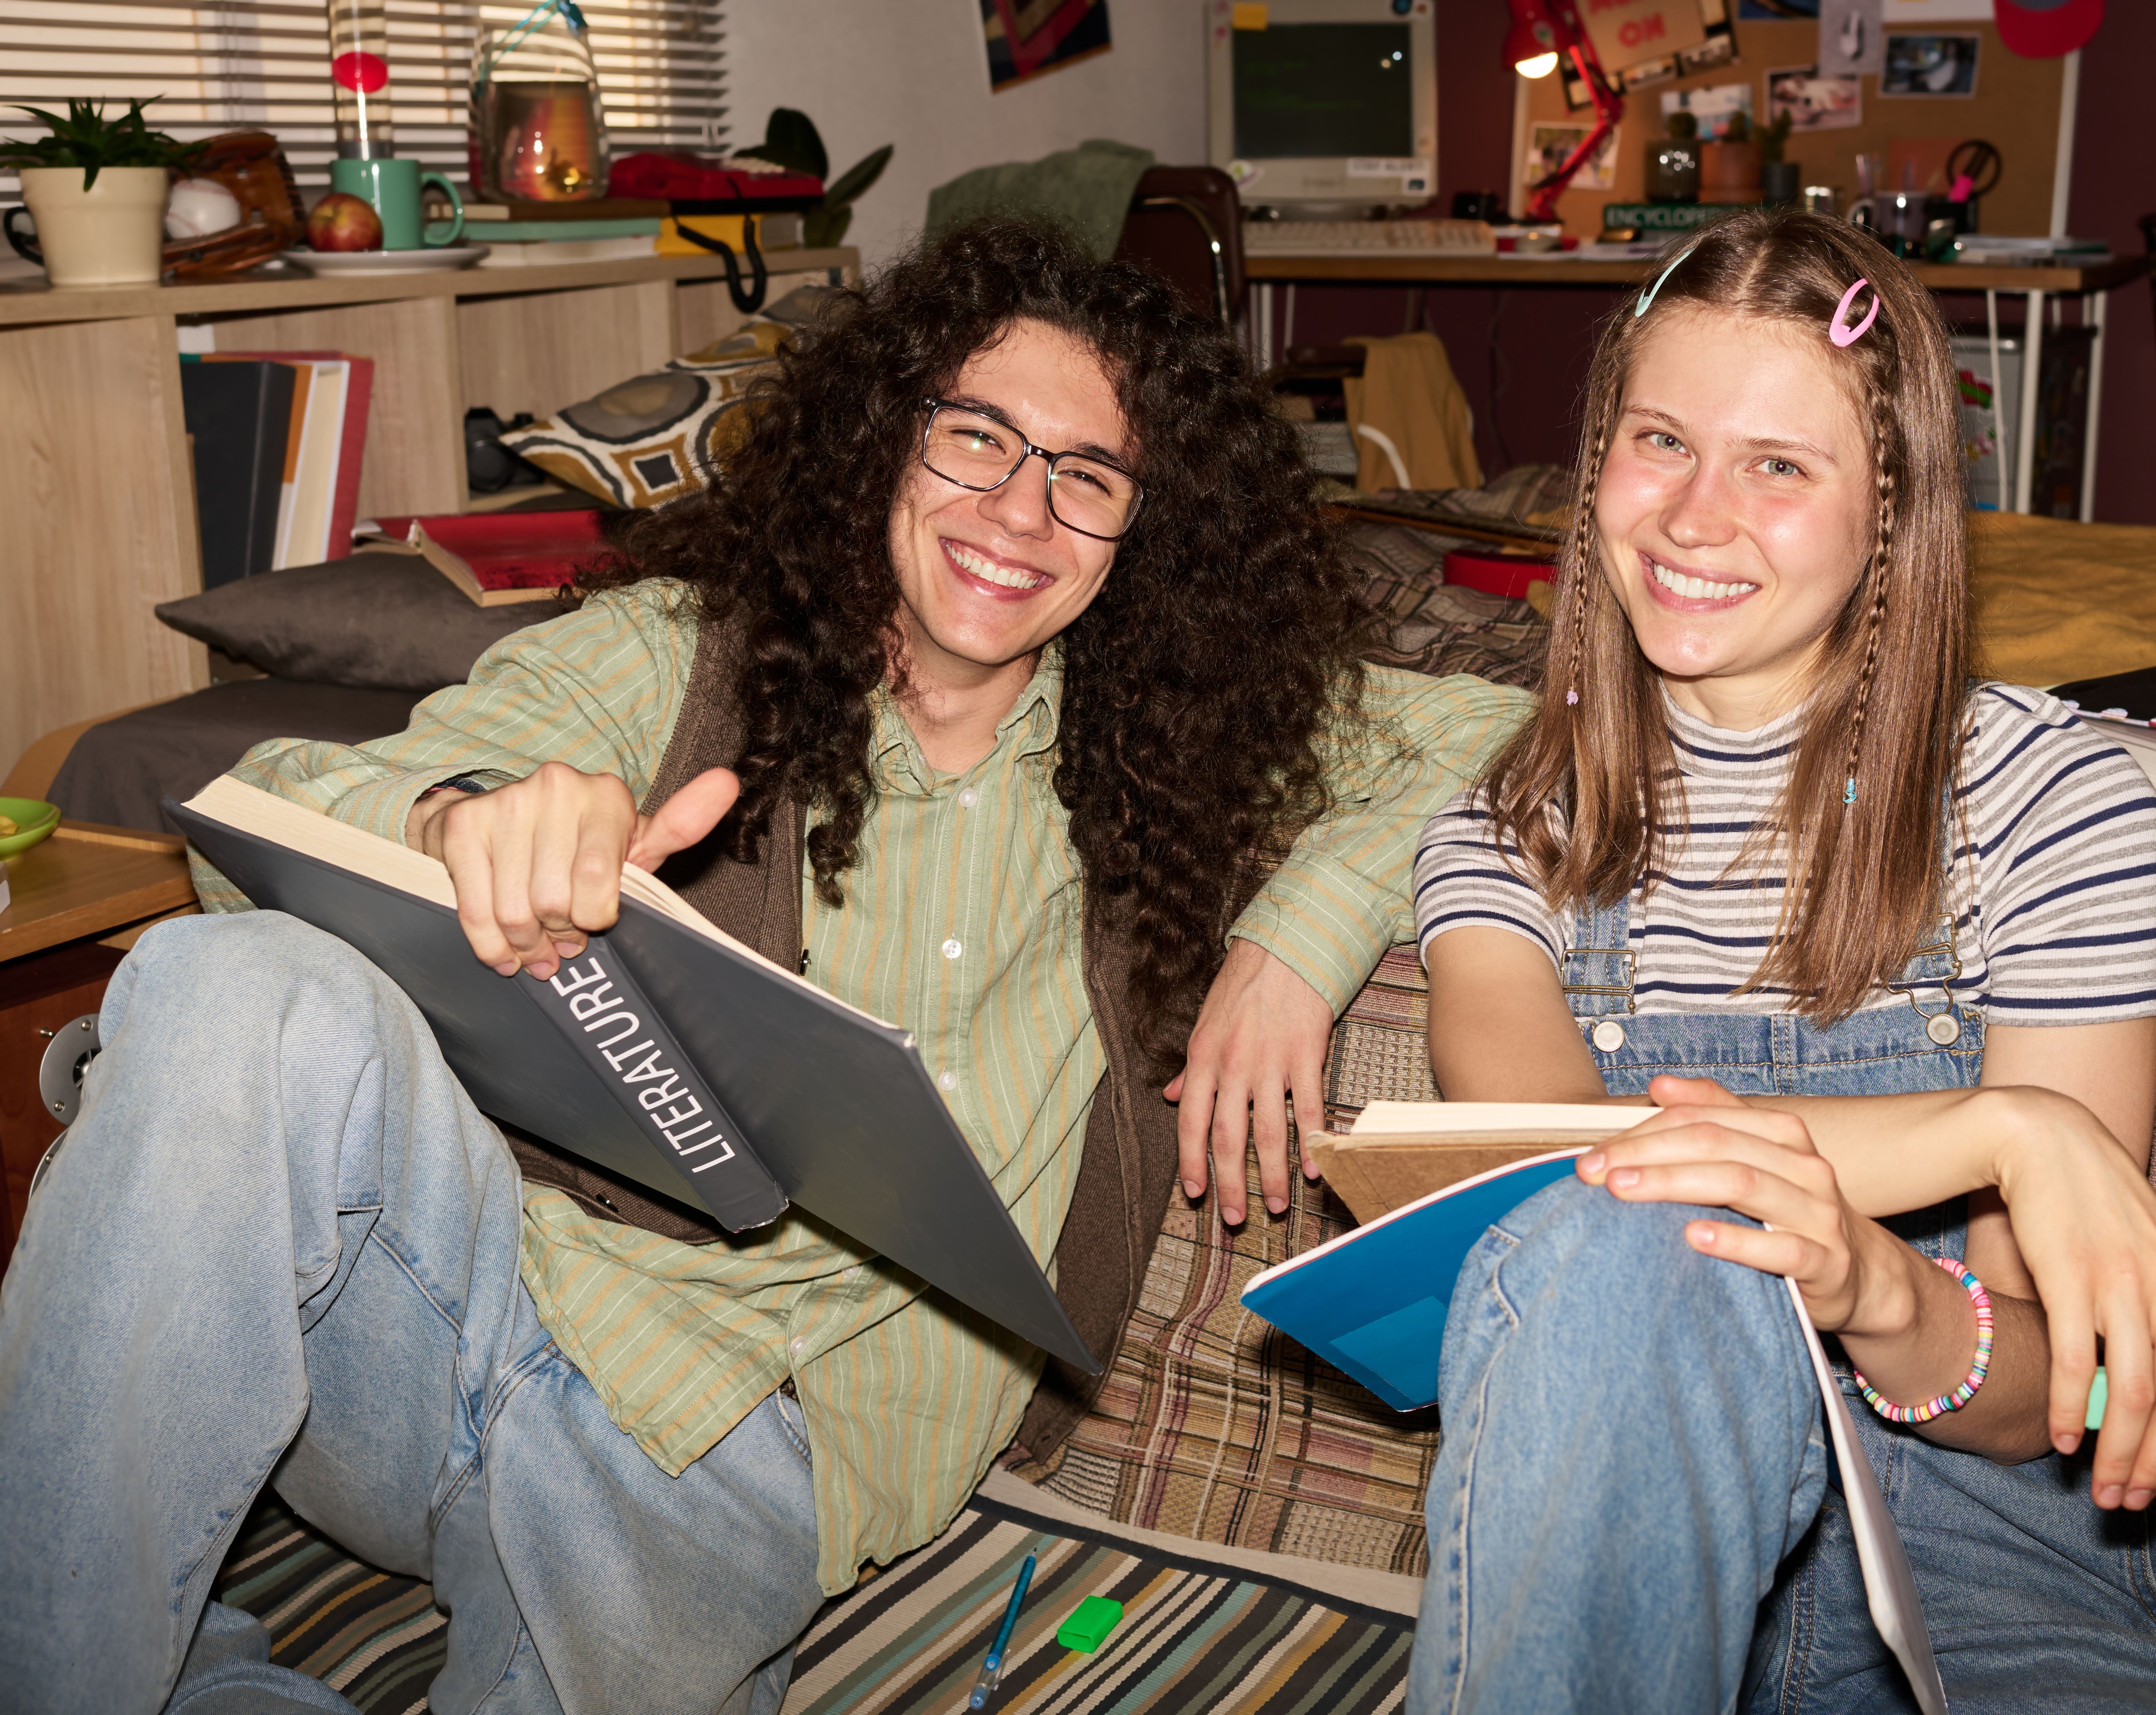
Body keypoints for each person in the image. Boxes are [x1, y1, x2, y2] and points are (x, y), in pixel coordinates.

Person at [0, 220, 1528, 1715]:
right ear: (884, 437)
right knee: (234, 986)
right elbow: (266, 816)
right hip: (462, 1312)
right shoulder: (674, 652)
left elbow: (1509, 722)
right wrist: (461, 818)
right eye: (975, 438)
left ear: (1148, 530)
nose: (1019, 511)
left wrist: (1291, 939)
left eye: (1089, 476)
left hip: (755, 1465)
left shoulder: (1190, 745)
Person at [1404, 208, 2156, 1713]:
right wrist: (2011, 1128)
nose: (1693, 518)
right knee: (1627, 1243)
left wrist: (1876, 1281)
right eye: (1659, 440)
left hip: (2002, 1575)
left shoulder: (2048, 797)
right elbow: (1579, 1195)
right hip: (1635, 1572)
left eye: (1779, 466)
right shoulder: (1507, 835)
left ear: (1890, 509)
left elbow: (2029, 1401)